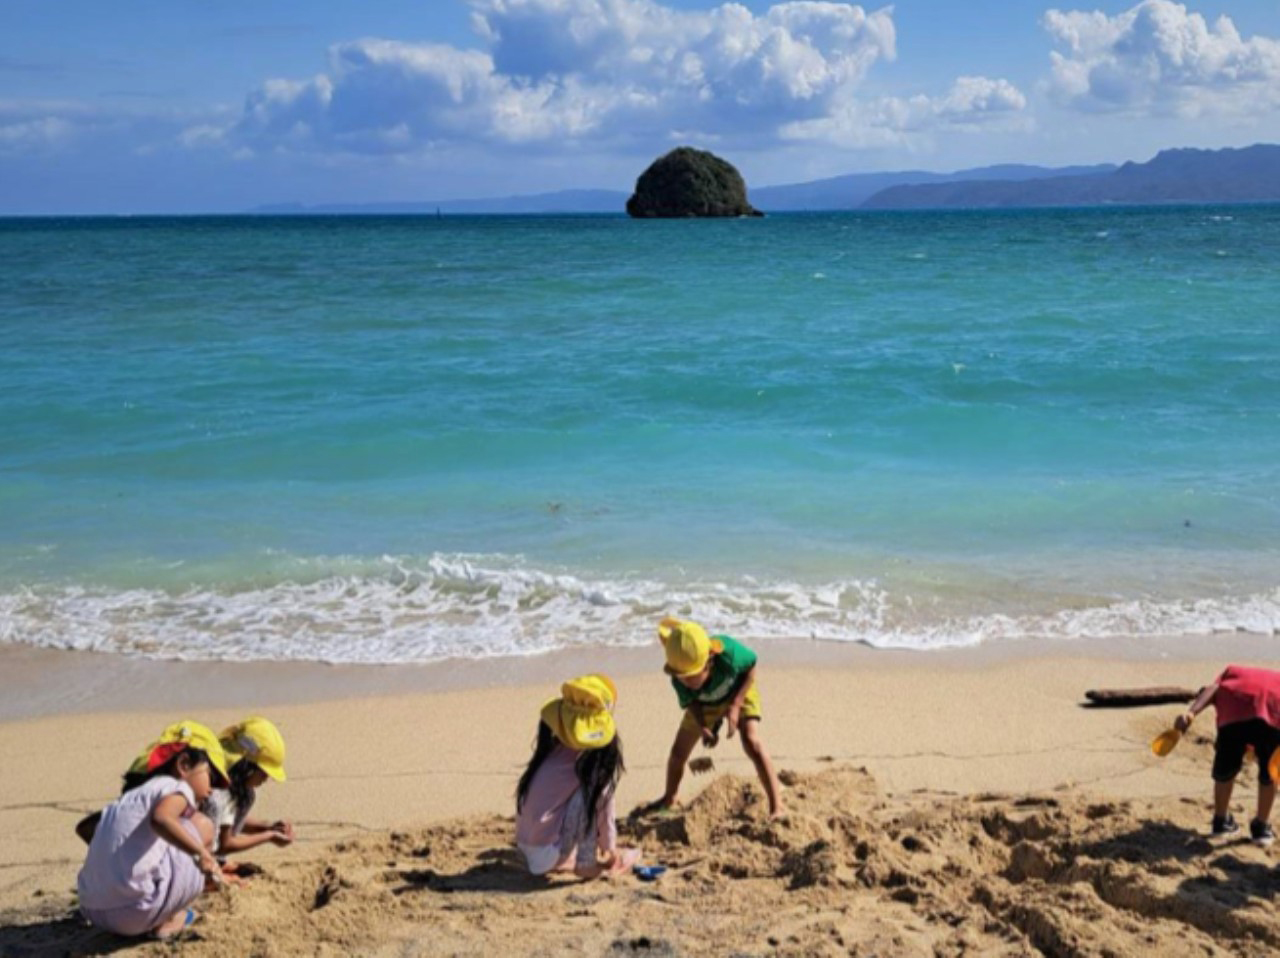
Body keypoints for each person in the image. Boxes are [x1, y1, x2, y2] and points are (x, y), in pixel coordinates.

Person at [77, 720, 229, 939]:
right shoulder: (176, 786)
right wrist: (202, 855)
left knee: (177, 836)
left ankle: (152, 906)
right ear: (184, 765)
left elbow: (88, 829)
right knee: (203, 827)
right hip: (135, 912)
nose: (211, 789)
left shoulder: (132, 797)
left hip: (93, 909)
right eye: (210, 776)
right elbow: (161, 819)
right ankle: (169, 920)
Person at [647, 617, 783, 818]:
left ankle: (777, 806)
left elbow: (751, 666)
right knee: (677, 754)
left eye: (692, 675)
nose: (686, 682)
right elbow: (691, 702)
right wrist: (703, 726)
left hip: (738, 691)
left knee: (751, 741)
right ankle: (670, 798)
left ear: (709, 659)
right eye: (682, 677)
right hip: (704, 704)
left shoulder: (729, 655)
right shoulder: (679, 676)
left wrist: (736, 704)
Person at [515, 674, 640, 879]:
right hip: (546, 854)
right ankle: (585, 864)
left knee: (583, 794)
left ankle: (563, 858)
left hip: (526, 847)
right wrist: (610, 851)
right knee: (592, 793)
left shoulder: (552, 752)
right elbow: (604, 808)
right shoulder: (586, 762)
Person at [1175, 664, 1280, 846]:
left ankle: (1221, 821)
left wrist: (1191, 714)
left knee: (1225, 769)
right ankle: (1261, 828)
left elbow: (1213, 689)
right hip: (1273, 710)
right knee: (1270, 773)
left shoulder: (1228, 674)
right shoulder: (1273, 679)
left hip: (1234, 711)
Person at [205, 717, 295, 859]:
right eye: (264, 773)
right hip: (200, 859)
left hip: (208, 857)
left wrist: (269, 827)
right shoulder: (219, 793)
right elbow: (225, 844)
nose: (266, 779)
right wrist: (269, 836)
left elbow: (226, 821)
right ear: (246, 767)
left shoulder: (240, 791)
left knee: (248, 796)